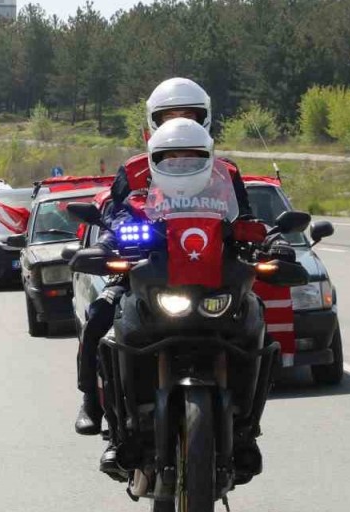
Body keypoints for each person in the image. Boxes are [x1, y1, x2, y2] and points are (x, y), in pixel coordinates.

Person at [74, 79, 262, 480]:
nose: (179, 122)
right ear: (152, 123)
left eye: (189, 115)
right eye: (169, 117)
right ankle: (96, 405)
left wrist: (263, 243)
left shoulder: (225, 171)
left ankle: (247, 430)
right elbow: (116, 214)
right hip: (148, 272)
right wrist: (110, 244)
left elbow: (243, 218)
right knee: (101, 317)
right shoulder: (135, 168)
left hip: (210, 274)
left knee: (256, 316)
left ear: (205, 120)